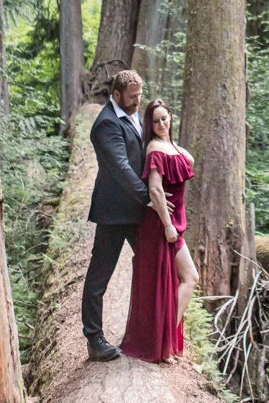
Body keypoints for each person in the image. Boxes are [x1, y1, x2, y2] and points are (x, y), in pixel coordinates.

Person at [81, 69, 173, 362]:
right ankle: (94, 340)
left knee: (156, 264)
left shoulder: (133, 115)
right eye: (131, 97)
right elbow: (121, 168)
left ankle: (154, 333)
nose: (136, 102)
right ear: (116, 94)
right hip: (114, 213)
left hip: (137, 211)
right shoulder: (106, 124)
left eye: (139, 96)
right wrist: (150, 198)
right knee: (99, 277)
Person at [120, 98, 199, 364]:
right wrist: (167, 225)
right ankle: (164, 340)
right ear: (149, 125)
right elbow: (154, 189)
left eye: (165, 118)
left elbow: (188, 159)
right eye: (156, 121)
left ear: (171, 117)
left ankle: (164, 339)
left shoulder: (169, 146)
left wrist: (174, 145)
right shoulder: (155, 149)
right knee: (190, 278)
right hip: (162, 226)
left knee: (184, 279)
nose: (161, 124)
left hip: (172, 225)